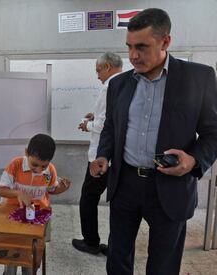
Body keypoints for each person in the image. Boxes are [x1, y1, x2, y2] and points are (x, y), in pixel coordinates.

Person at [90, 8, 217, 275]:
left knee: (163, 265)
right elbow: (111, 127)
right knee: (117, 258)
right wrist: (103, 155)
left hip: (170, 185)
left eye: (142, 47)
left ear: (165, 42)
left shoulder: (198, 78)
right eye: (129, 47)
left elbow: (215, 132)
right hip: (125, 183)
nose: (132, 56)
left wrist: (193, 160)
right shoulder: (119, 85)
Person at [0, 133, 71, 275]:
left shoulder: (50, 171)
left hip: (36, 219)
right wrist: (18, 193)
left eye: (43, 166)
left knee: (32, 257)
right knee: (12, 253)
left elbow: (51, 189)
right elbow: (1, 190)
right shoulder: (16, 165)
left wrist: (61, 189)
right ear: (26, 153)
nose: (38, 169)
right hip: (12, 216)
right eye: (34, 164)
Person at [72, 52, 122, 256]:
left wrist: (88, 125)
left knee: (88, 198)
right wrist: (95, 115)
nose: (97, 75)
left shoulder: (109, 86)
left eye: (98, 70)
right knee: (119, 203)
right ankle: (117, 247)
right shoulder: (127, 84)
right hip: (120, 157)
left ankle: (91, 242)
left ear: (107, 66)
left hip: (101, 157)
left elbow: (104, 125)